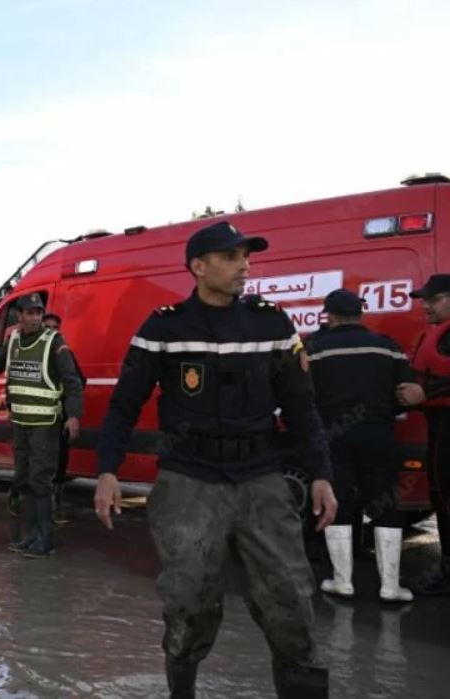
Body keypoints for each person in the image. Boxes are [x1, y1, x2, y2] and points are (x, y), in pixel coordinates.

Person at [94, 221, 337, 698]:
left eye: (246, 257)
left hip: (261, 479)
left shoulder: (271, 324)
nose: (243, 266)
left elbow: (302, 407)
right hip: (189, 482)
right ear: (198, 267)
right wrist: (107, 471)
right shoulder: (163, 328)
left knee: (290, 600)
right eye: (231, 258)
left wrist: (322, 474)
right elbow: (125, 404)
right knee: (188, 602)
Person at [0, 292, 83, 558]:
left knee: (40, 481)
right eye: (30, 313)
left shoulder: (54, 341)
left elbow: (72, 380)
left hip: (45, 425)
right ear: (19, 317)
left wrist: (74, 415)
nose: (35, 318)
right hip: (21, 423)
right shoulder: (12, 343)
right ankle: (31, 536)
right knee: (23, 480)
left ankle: (45, 540)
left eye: (38, 313)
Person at [307, 289, 414, 602]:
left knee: (336, 500)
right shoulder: (388, 348)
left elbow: (302, 396)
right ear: (361, 314)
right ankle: (390, 587)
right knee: (385, 503)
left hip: (332, 436)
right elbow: (405, 392)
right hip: (378, 434)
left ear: (330, 316)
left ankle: (343, 582)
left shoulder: (315, 350)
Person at [395, 273, 450, 596]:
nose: (425, 306)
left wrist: (427, 393)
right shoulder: (449, 331)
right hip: (445, 421)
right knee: (444, 495)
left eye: (433, 299)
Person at [42, 312, 85, 524]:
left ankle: (55, 502)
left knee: (59, 460)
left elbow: (79, 381)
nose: (50, 331)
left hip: (59, 417)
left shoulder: (64, 354)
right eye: (46, 327)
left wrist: (69, 407)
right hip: (39, 418)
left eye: (54, 328)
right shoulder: (35, 353)